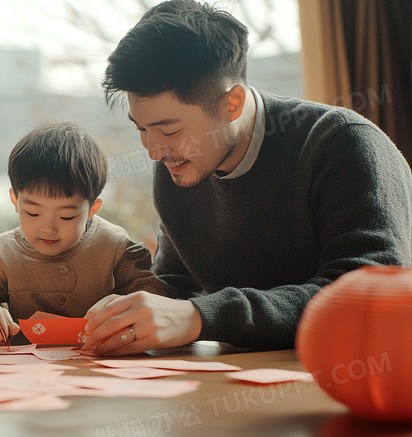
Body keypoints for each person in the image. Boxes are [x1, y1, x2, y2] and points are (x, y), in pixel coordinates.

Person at [81, 0, 412, 355]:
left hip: (355, 372)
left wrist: (198, 317)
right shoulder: (178, 165)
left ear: (232, 103)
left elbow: (366, 296)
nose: (154, 150)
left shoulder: (342, 144)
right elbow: (175, 285)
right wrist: (121, 310)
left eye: (169, 129)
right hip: (241, 379)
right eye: (142, 129)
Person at [0, 122, 166, 343]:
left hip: (97, 366)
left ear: (92, 209)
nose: (48, 228)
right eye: (32, 213)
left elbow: (154, 295)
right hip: (22, 371)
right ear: (15, 201)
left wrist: (126, 305)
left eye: (66, 216)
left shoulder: (116, 246)